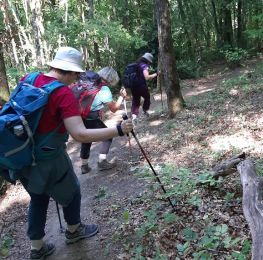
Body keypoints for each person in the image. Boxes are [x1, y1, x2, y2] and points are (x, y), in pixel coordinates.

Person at [16, 47, 133, 260]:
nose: (77, 79)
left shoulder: (29, 77)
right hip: (49, 155)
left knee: (38, 197)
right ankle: (73, 230)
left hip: (23, 152)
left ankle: (37, 248)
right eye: (76, 75)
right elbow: (80, 134)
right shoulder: (62, 92)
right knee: (71, 191)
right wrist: (117, 130)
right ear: (70, 72)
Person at [80, 67, 127, 174]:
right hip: (92, 117)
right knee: (108, 136)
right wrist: (121, 97)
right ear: (111, 79)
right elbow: (114, 109)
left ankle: (84, 166)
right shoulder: (103, 89)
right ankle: (102, 162)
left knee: (86, 139)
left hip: (80, 116)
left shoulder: (87, 83)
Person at [130, 52, 157, 120]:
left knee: (135, 100)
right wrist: (156, 74)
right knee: (147, 97)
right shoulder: (144, 66)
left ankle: (134, 116)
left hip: (133, 85)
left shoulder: (136, 64)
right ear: (148, 60)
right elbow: (147, 77)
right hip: (141, 85)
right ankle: (145, 110)